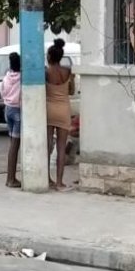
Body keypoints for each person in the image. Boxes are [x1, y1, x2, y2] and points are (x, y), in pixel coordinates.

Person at [45, 38, 75, 191]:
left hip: (49, 110)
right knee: (61, 148)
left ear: (50, 56)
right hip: (64, 110)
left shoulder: (45, 71)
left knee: (48, 146)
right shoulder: (68, 71)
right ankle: (59, 182)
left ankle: (47, 179)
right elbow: (71, 91)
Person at [2, 52, 23, 188]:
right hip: (17, 112)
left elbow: (2, 93)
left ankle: (10, 177)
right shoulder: (22, 78)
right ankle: (11, 179)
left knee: (12, 145)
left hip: (7, 110)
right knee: (15, 147)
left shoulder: (6, 77)